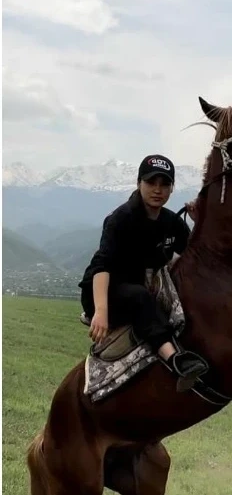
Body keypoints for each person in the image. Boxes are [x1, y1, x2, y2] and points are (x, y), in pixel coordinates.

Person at [79, 154, 208, 392]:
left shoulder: (171, 222)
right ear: (139, 183)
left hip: (138, 289)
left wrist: (199, 223)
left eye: (164, 184)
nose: (157, 190)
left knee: (148, 295)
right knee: (140, 297)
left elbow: (193, 256)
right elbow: (101, 266)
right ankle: (175, 360)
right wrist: (100, 311)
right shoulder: (121, 218)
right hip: (103, 291)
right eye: (151, 182)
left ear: (172, 188)